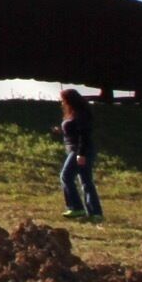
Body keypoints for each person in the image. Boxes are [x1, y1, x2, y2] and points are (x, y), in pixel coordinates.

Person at [58, 87, 103, 220]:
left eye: (63, 100)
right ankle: (95, 213)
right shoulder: (74, 113)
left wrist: (81, 154)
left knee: (65, 176)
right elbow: (74, 131)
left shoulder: (80, 114)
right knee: (86, 181)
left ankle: (76, 208)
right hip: (77, 149)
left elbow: (84, 135)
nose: (62, 103)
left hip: (80, 150)